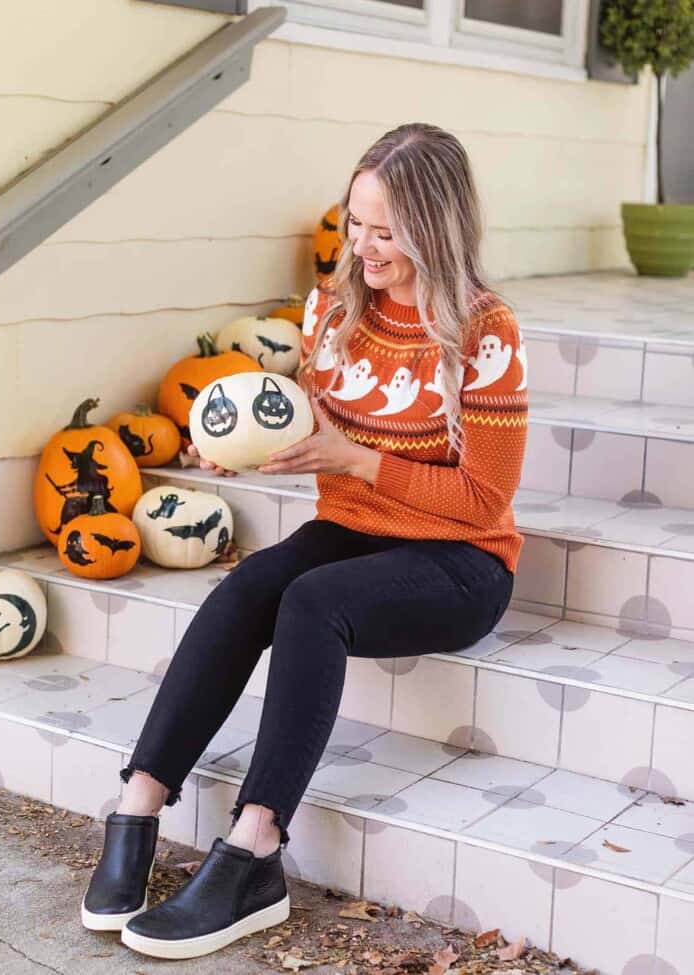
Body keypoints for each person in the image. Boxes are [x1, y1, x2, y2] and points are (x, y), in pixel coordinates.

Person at [81, 122, 528, 961]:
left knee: (312, 601)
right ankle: (138, 804)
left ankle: (254, 850)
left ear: (437, 226)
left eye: (385, 231)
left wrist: (362, 458)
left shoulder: (485, 329)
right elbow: (309, 429)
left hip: (462, 561)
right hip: (353, 529)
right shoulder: (336, 304)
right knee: (251, 584)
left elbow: (483, 500)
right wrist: (240, 440)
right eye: (354, 222)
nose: (362, 247)